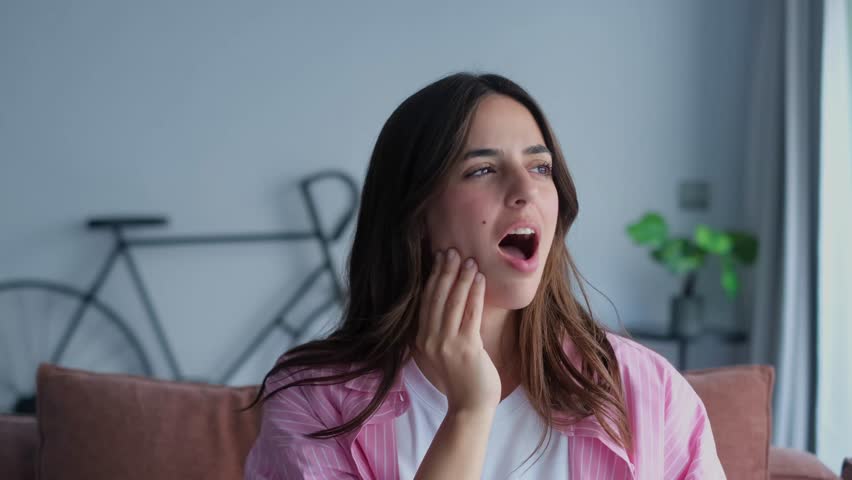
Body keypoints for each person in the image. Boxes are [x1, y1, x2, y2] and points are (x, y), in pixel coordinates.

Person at [243, 72, 726, 479]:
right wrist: (470, 412)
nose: (525, 191)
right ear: (415, 214)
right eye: (482, 170)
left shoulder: (648, 391)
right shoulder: (312, 401)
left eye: (540, 167)